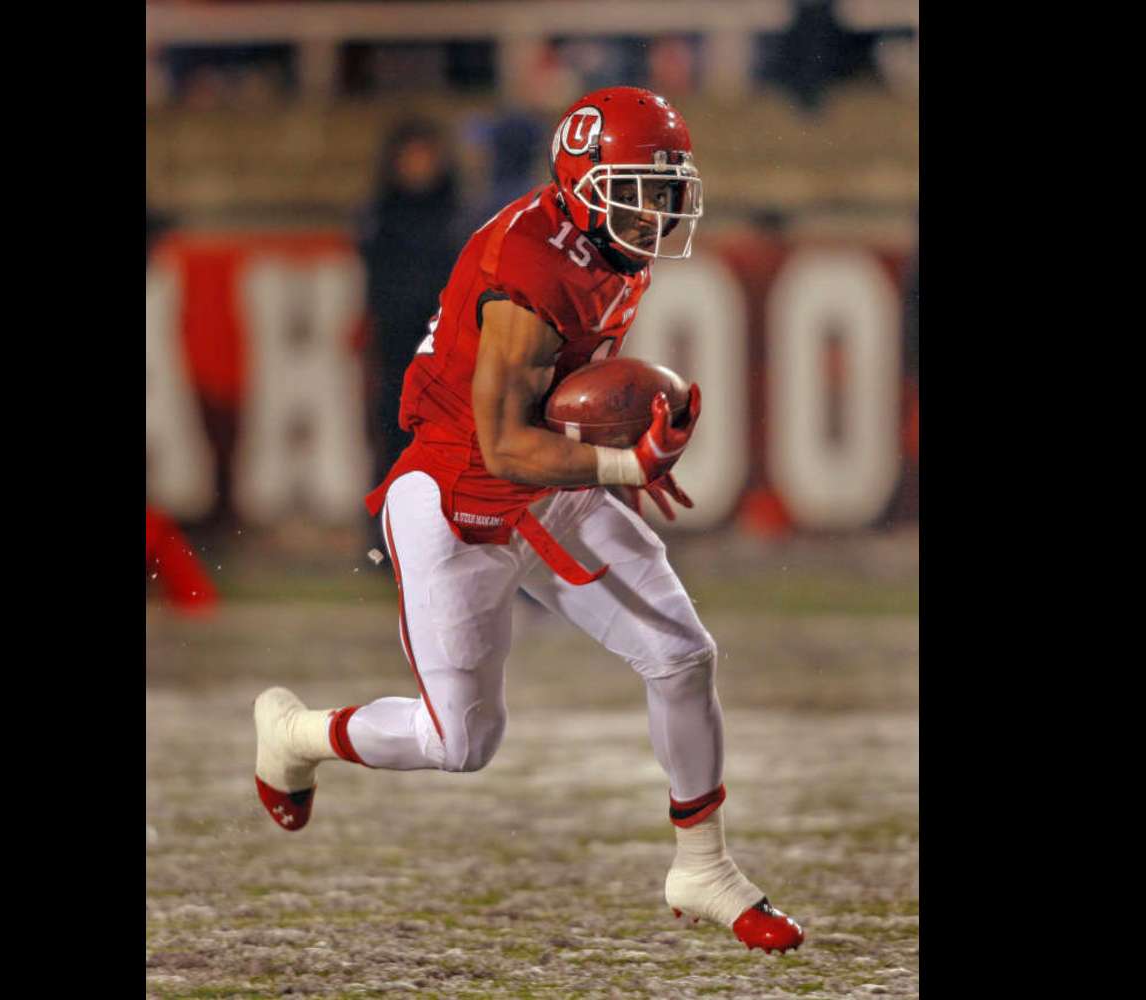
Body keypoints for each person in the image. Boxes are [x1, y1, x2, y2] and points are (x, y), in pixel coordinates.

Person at [253, 87, 804, 954]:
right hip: (456, 490)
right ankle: (295, 734)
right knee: (462, 742)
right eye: (640, 188)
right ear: (585, 182)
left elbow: (552, 412)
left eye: (667, 188)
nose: (658, 209)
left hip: (545, 481)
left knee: (683, 654)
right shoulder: (529, 265)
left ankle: (702, 867)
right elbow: (503, 444)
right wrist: (622, 463)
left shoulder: (609, 245)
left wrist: (607, 449)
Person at [357, 119, 465, 549]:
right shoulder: (381, 217)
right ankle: (386, 541)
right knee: (395, 443)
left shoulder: (456, 216)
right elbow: (377, 291)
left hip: (446, 355)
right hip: (398, 354)